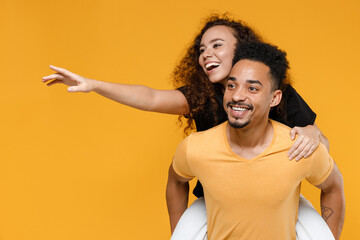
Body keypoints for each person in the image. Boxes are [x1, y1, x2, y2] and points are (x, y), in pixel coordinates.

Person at [42, 15, 330, 238]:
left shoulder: (276, 93)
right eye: (201, 50)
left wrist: (313, 133)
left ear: (242, 50)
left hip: (278, 200)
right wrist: (93, 85)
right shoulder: (201, 97)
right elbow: (151, 98)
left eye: (217, 45)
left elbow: (322, 149)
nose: (206, 54)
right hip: (215, 202)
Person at [168, 41, 345, 240]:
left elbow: (333, 186)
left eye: (252, 88)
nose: (237, 96)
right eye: (232, 85)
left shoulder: (298, 147)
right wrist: (179, 231)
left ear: (275, 98)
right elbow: (176, 180)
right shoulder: (196, 148)